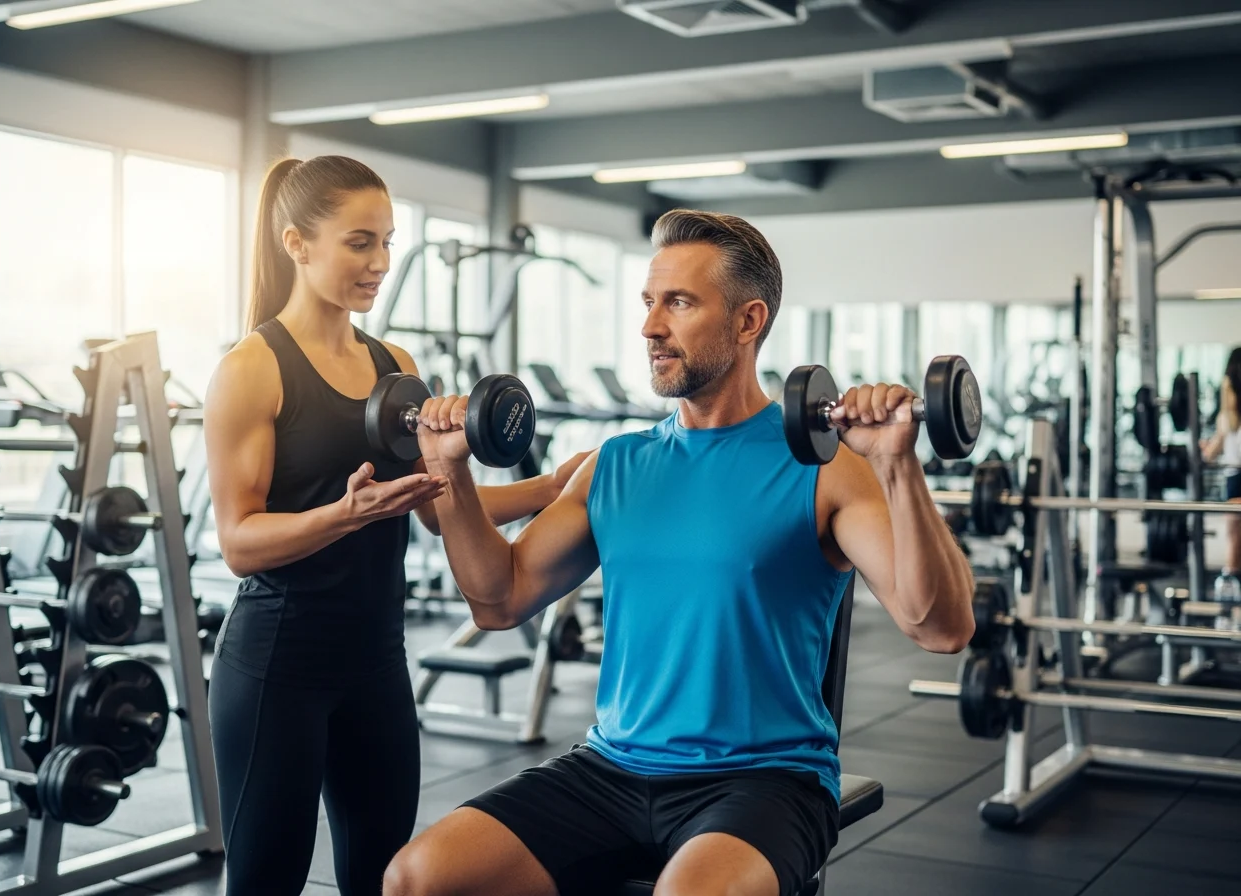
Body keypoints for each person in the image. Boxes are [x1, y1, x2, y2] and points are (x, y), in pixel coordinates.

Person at [382, 210, 976, 896]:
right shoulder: (616, 464)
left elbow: (941, 627)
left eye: (680, 303)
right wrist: (449, 470)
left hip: (765, 780)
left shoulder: (826, 468)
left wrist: (898, 464)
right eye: (648, 302)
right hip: (611, 769)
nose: (650, 328)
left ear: (748, 321)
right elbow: (497, 599)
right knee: (416, 879)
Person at [202, 154, 586, 896]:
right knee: (265, 881)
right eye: (359, 243)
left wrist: (549, 487)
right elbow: (239, 543)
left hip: (376, 662)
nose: (380, 263)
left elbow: (442, 505)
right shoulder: (252, 368)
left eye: (387, 242)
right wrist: (346, 515)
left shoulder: (395, 363)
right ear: (296, 244)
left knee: (382, 879)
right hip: (278, 666)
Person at [1202, 347, 1241, 606]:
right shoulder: (1228, 417)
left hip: (1235, 477)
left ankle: (1230, 610)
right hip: (1235, 477)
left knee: (1235, 544)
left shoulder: (1229, 416)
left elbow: (1210, 455)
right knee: (1235, 543)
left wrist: (1203, 447)